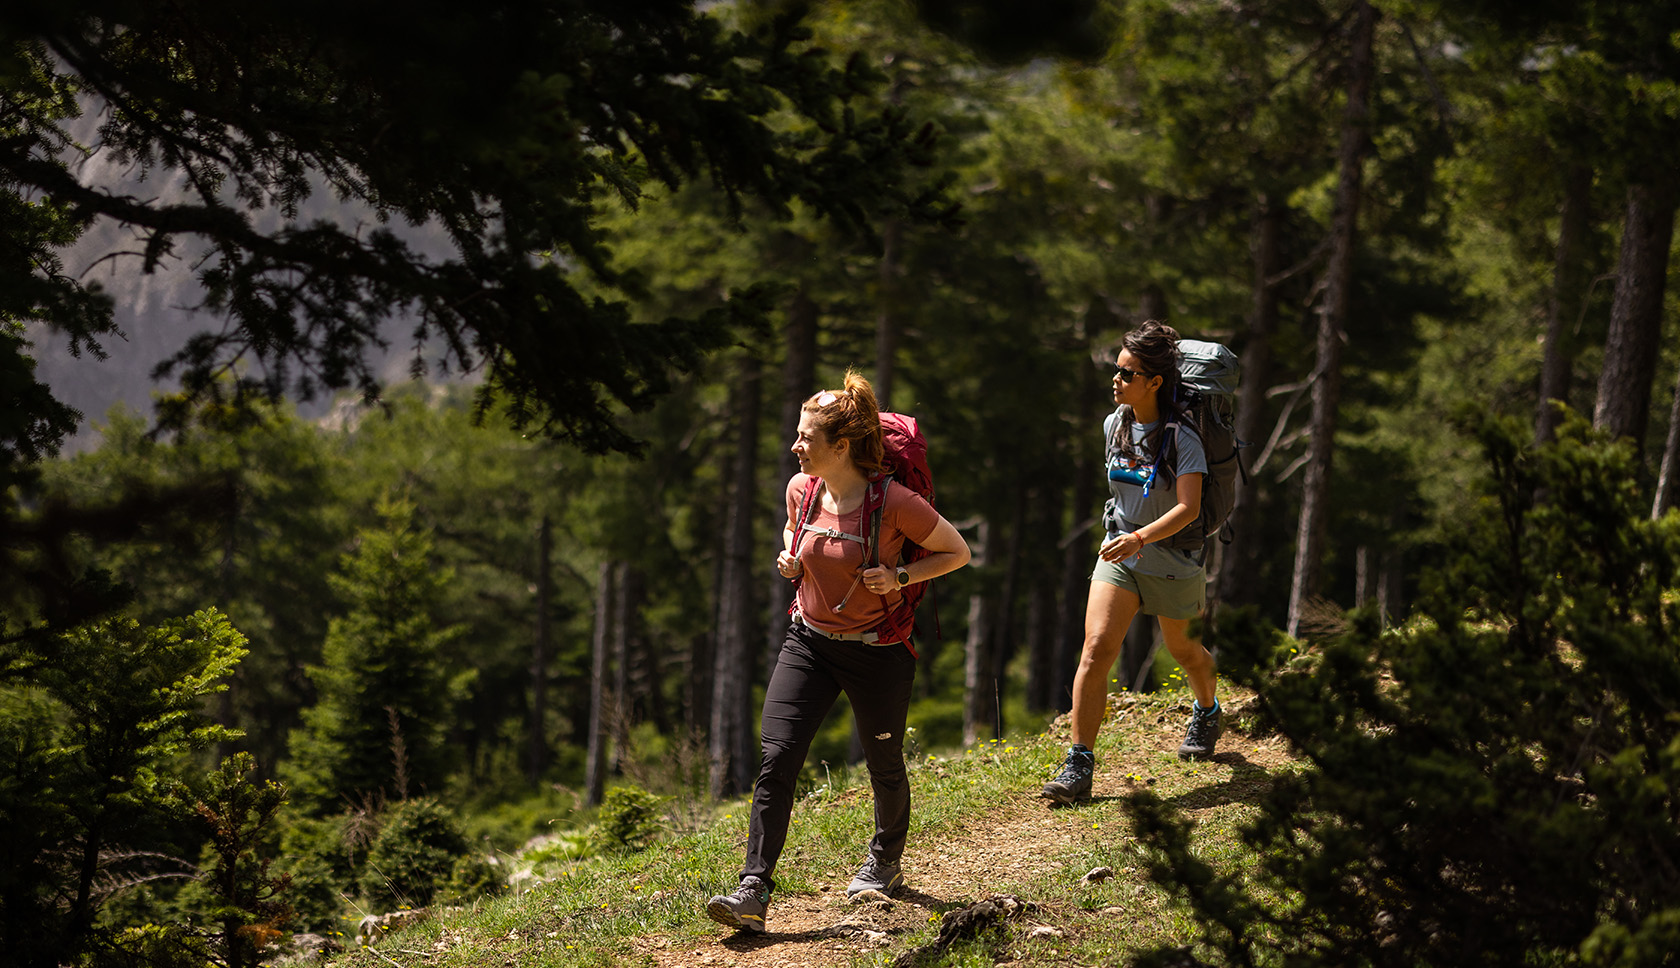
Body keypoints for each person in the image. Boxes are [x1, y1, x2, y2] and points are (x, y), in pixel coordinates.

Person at [706, 371, 972, 933]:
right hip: (807, 642)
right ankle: (753, 888)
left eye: (806, 438)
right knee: (777, 760)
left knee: (883, 763)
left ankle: (885, 860)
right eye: (797, 436)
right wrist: (789, 558)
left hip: (878, 651)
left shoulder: (895, 502)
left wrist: (900, 574)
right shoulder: (801, 490)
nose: (795, 446)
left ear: (841, 446)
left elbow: (956, 551)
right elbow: (791, 531)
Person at [1042, 321, 1222, 806]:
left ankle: (1207, 708)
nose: (1115, 380)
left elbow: (1188, 506)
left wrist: (1140, 536)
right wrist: (1124, 537)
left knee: (1185, 653)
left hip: (1172, 559)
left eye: (1127, 373)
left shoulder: (1184, 438)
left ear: (1155, 382)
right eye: (1116, 369)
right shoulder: (1114, 425)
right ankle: (1079, 764)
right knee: (1096, 650)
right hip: (1119, 555)